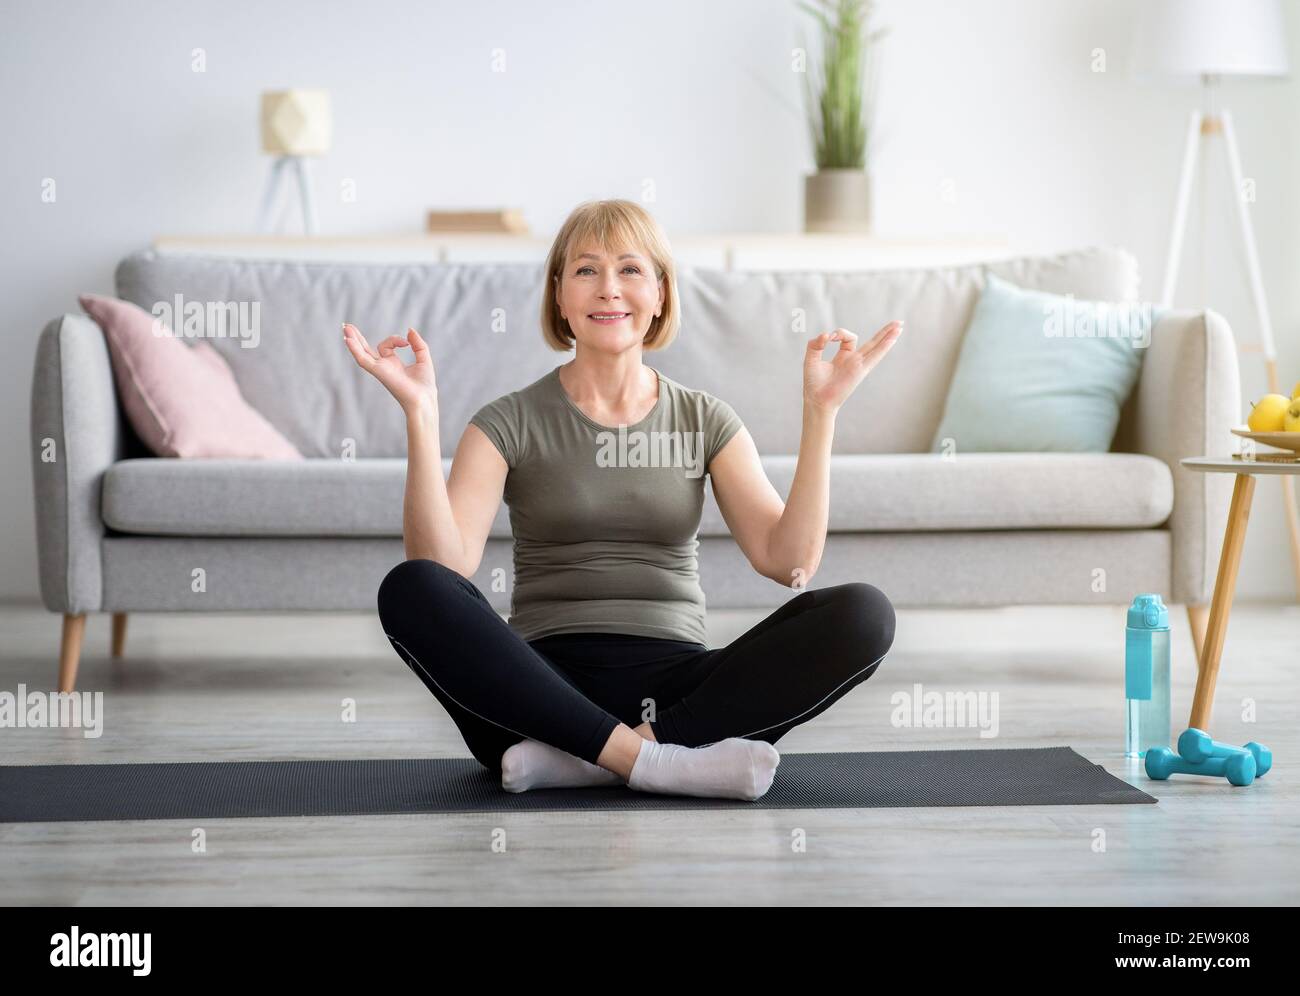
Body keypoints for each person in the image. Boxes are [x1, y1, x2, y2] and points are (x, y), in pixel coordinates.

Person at [344, 199, 903, 801]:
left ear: (660, 293)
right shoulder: (507, 421)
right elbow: (442, 567)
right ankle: (655, 762)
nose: (608, 288)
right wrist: (421, 415)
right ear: (559, 296)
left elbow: (788, 562)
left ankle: (595, 758)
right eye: (586, 270)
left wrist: (822, 413)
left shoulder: (705, 418)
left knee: (865, 614)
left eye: (630, 269)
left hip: (679, 692)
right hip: (537, 693)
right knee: (411, 587)